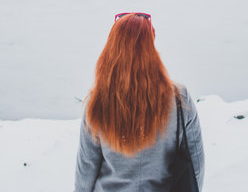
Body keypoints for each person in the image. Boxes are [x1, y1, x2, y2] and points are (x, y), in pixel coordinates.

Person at [73, 12, 205, 191]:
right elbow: (195, 161)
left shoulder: (98, 101)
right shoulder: (178, 98)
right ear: (151, 48)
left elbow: (86, 171)